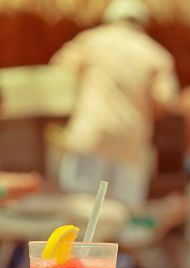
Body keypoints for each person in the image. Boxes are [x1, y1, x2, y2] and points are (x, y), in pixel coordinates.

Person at [51, 0, 179, 209]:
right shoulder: (156, 55)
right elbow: (165, 101)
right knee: (124, 210)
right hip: (131, 140)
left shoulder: (91, 41)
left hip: (91, 132)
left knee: (80, 204)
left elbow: (60, 69)